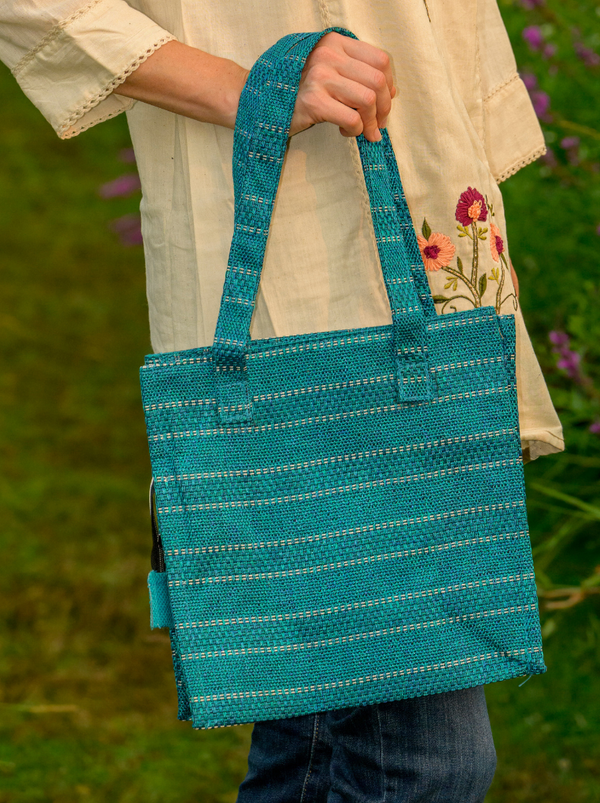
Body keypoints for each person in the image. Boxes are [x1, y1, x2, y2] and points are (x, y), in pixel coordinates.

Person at [0, 1, 565, 800]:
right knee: (426, 765)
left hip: (429, 214)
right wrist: (244, 88)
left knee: (313, 746)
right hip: (290, 255)